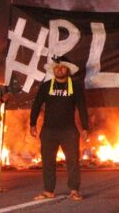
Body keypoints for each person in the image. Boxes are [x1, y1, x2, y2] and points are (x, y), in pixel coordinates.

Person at [29, 55, 89, 202]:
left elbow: (82, 107)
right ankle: (48, 190)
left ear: (67, 70)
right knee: (48, 161)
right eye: (56, 67)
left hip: (69, 130)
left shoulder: (75, 87)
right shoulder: (46, 86)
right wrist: (32, 124)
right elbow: (36, 105)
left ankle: (74, 190)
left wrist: (85, 127)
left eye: (62, 67)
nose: (59, 69)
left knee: (73, 161)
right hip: (49, 130)